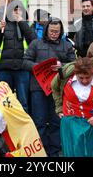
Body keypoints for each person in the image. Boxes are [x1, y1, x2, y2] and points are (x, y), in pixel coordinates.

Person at [22, 17, 76, 157]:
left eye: (57, 31)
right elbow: (25, 62)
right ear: (46, 30)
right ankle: (40, 152)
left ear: (61, 31)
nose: (54, 33)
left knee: (56, 121)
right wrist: (40, 68)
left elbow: (74, 65)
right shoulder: (35, 43)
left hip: (58, 89)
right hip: (38, 88)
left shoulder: (67, 46)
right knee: (39, 121)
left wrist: (62, 67)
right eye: (51, 31)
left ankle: (54, 152)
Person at [0, 1, 36, 112]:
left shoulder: (26, 25)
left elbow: (34, 41)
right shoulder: (2, 24)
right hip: (4, 68)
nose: (17, 12)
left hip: (22, 68)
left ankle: (23, 127)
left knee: (23, 102)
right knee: (4, 100)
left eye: (19, 10)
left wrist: (21, 23)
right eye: (14, 10)